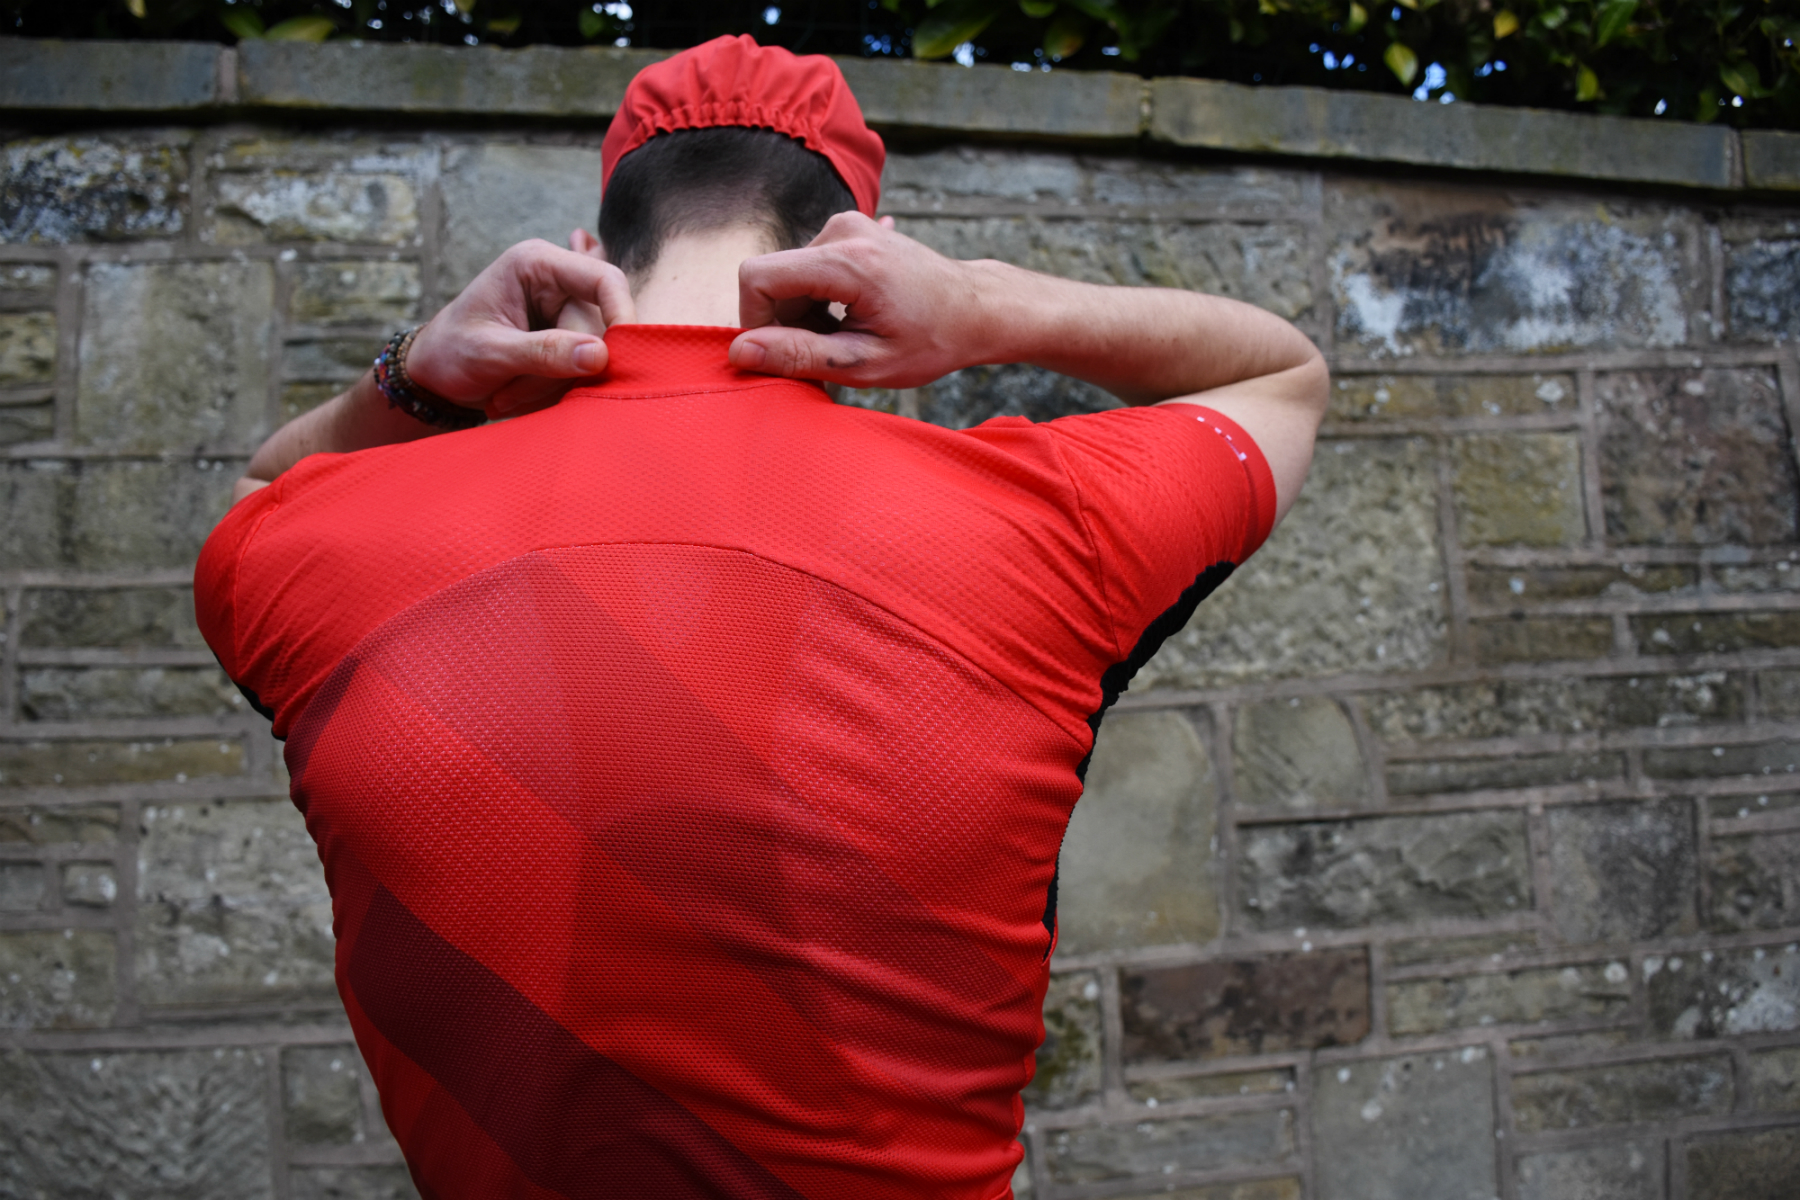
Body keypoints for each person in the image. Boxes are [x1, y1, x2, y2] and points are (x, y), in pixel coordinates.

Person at [195, 34, 1327, 1200]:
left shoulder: (318, 541)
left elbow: (251, 501)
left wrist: (416, 374)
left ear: (589, 257)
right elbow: (1281, 378)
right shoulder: (1037, 525)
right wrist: (984, 306)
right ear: (854, 268)